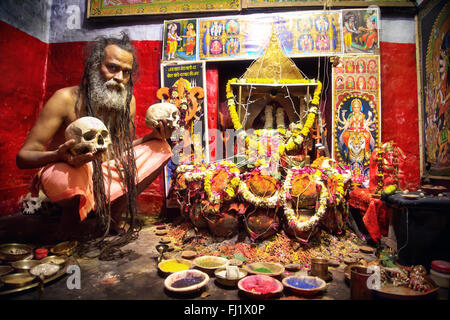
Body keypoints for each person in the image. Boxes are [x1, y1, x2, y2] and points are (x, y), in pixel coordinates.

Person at [16, 32, 174, 241]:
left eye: (126, 72)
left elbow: (120, 151)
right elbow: (23, 157)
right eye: (112, 67)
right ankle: (70, 221)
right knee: (69, 172)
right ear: (94, 65)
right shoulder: (64, 99)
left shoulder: (127, 101)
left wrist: (153, 137)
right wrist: (59, 156)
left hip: (104, 174)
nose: (119, 78)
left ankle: (111, 218)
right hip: (66, 173)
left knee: (160, 147)